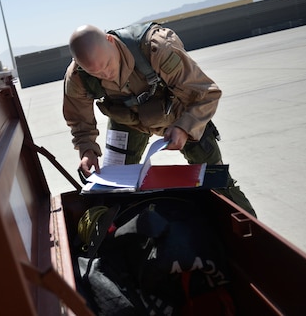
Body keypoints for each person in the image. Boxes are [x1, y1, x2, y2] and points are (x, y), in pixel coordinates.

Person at [63, 22, 256, 216]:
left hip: (182, 115)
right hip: (128, 122)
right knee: (114, 188)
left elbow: (206, 94)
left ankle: (250, 231)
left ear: (110, 41)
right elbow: (79, 119)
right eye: (94, 72)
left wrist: (185, 127)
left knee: (217, 182)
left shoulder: (157, 48)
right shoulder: (78, 76)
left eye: (106, 64)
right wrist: (87, 149)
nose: (105, 74)